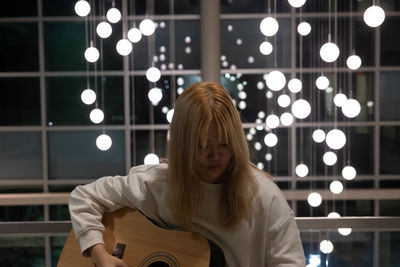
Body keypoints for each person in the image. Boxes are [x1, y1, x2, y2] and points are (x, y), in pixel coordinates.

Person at [69, 81, 306, 267]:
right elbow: (84, 197)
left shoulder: (264, 196)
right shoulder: (158, 183)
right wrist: (100, 255)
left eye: (225, 144)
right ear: (182, 146)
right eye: (202, 145)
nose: (215, 155)